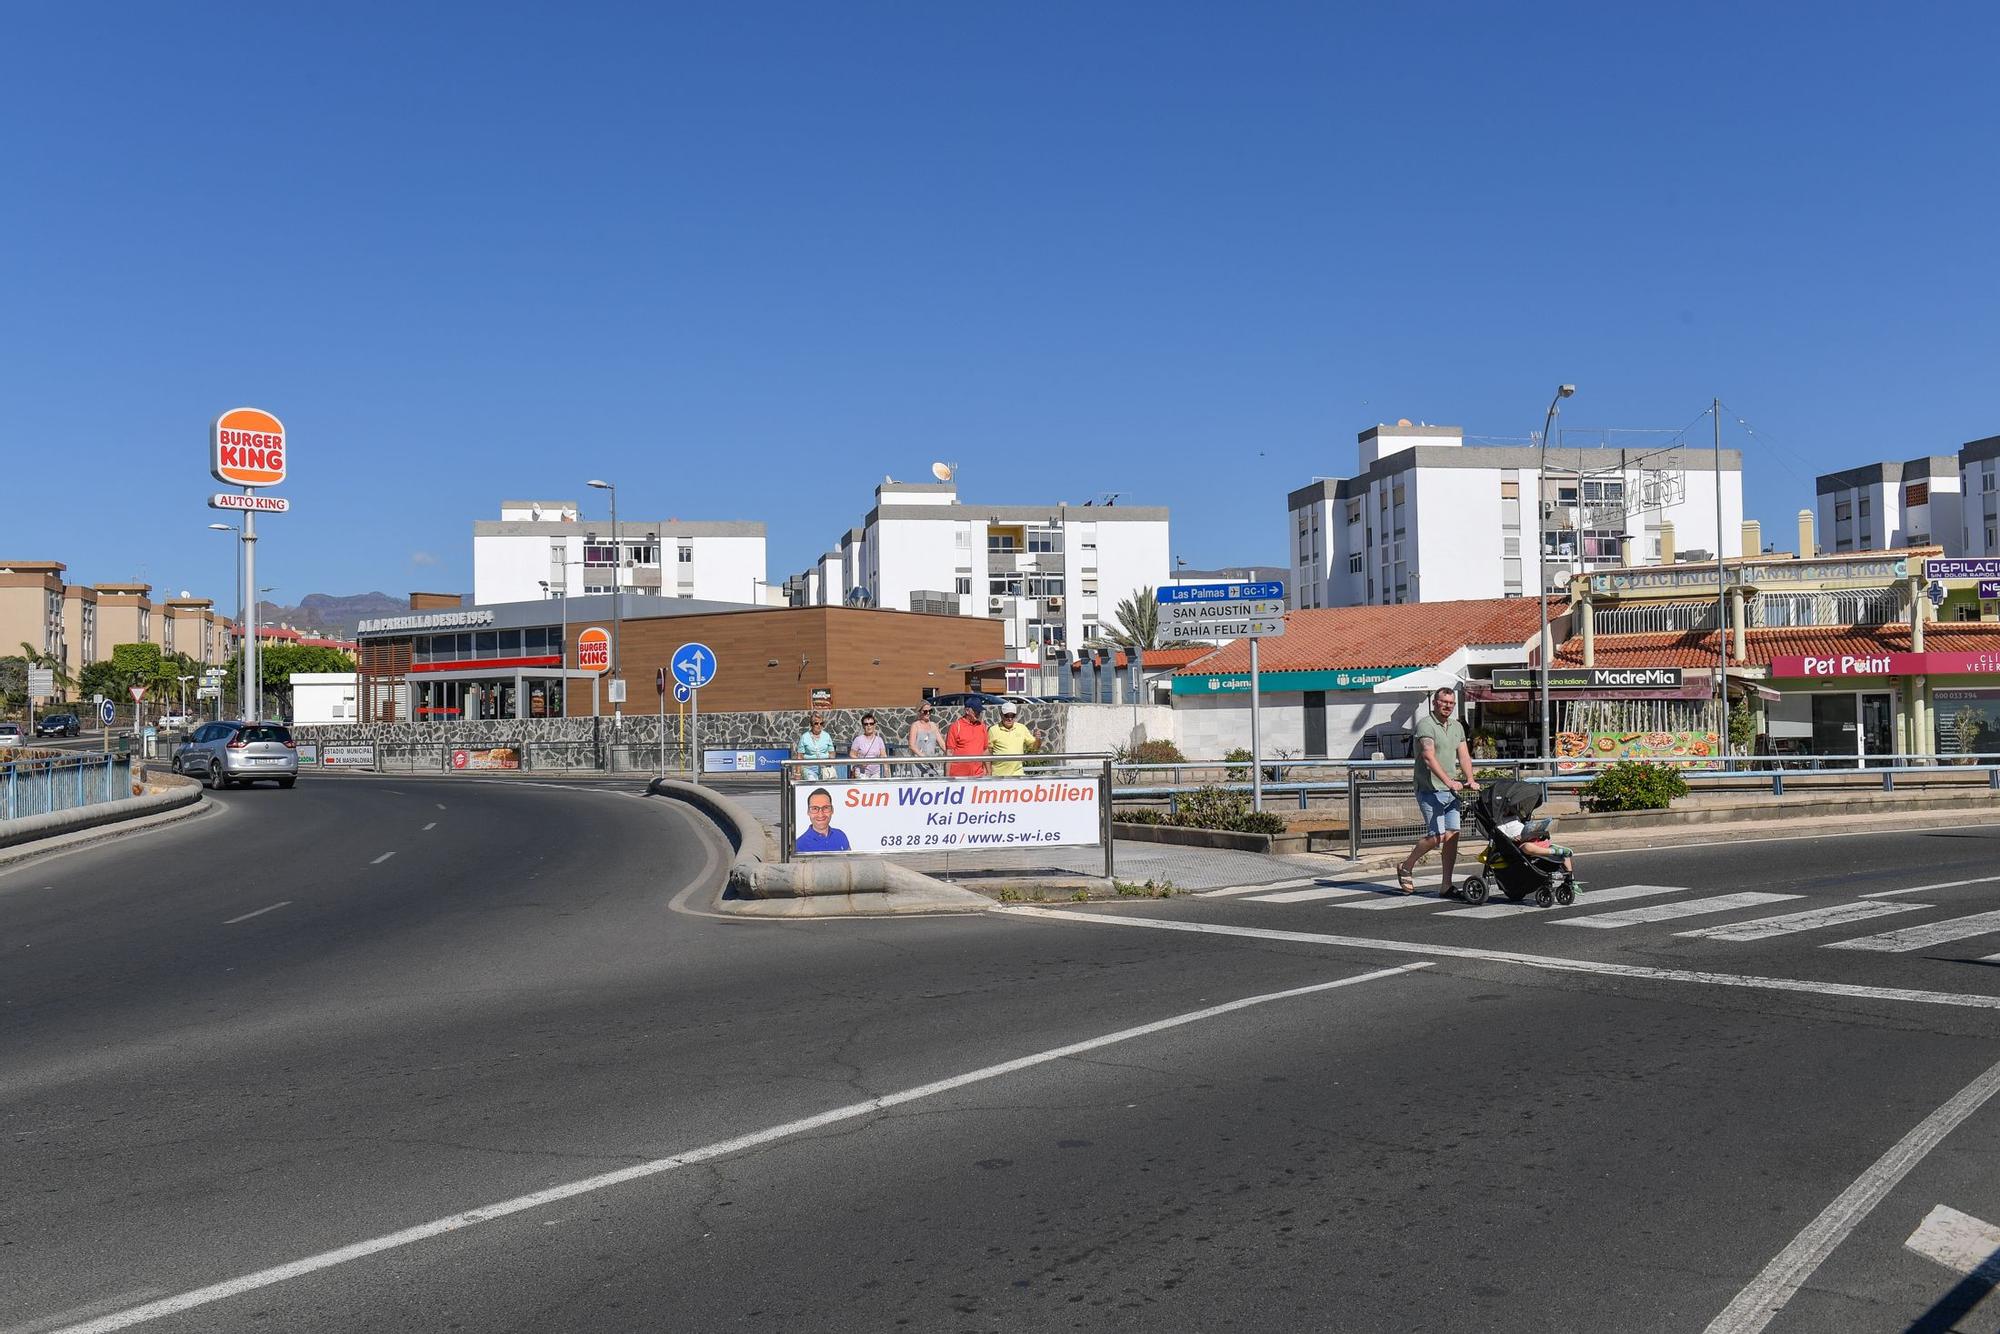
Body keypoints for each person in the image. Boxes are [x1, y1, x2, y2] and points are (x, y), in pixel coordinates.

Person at [1395, 686, 1479, 895]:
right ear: (1435, 702)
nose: (1447, 706)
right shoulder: (1426, 725)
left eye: (1451, 703)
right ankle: (1406, 866)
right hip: (1429, 788)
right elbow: (1428, 756)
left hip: (1452, 792)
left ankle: (1446, 885)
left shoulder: (1457, 727)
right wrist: (1449, 781)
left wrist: (1470, 778)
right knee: (1437, 836)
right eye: (1444, 702)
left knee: (1452, 836)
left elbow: (1464, 755)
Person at [986, 701, 1043, 777]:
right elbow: (987, 752)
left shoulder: (1021, 728)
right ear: (1001, 715)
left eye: (1012, 716)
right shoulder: (993, 730)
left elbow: (1035, 747)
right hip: (998, 775)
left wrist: (1038, 739)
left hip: (1018, 774)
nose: (1010, 719)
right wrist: (989, 773)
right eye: (1007, 715)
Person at [795, 787, 851, 853]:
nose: (820, 814)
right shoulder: (799, 845)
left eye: (825, 808)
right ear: (808, 812)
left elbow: (850, 862)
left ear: (832, 810)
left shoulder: (841, 835)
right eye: (815, 808)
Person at [944, 700, 990, 778]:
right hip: (958, 776)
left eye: (980, 711)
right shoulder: (956, 727)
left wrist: (989, 772)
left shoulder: (982, 727)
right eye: (976, 711)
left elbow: (985, 750)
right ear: (967, 711)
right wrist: (947, 777)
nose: (978, 713)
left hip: (978, 775)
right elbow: (949, 753)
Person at [795, 713, 836, 781]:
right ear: (811, 725)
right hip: (809, 768)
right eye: (816, 723)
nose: (819, 726)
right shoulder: (805, 737)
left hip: (824, 767)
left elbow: (831, 753)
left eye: (821, 723)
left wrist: (831, 765)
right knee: (812, 782)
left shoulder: (827, 736)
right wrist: (798, 773)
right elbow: (800, 756)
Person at [907, 701, 944, 777]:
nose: (928, 713)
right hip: (918, 764)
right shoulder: (915, 726)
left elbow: (941, 743)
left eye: (930, 711)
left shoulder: (933, 725)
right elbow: (911, 745)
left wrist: (951, 754)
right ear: (919, 712)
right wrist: (924, 757)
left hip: (930, 763)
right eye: (925, 711)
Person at [849, 712, 888, 779]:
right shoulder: (858, 739)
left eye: (871, 723)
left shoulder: (879, 740)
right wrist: (860, 762)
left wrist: (886, 771)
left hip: (876, 773)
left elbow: (883, 756)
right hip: (862, 773)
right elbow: (852, 754)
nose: (869, 726)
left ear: (874, 725)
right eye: (866, 724)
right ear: (863, 726)